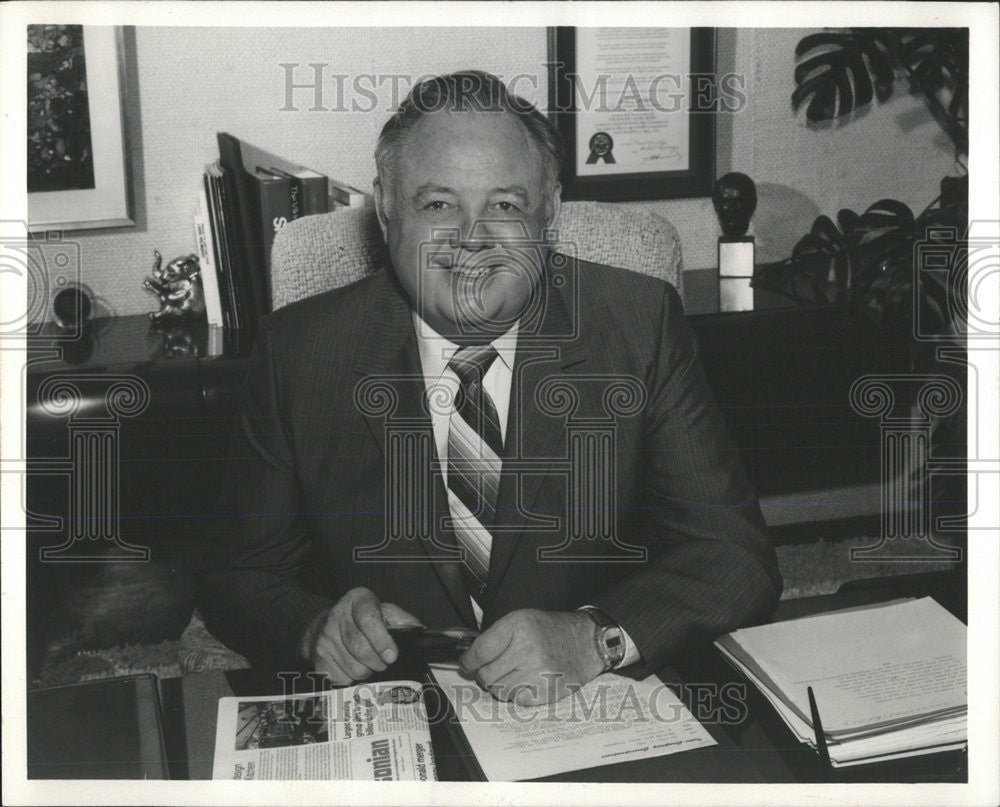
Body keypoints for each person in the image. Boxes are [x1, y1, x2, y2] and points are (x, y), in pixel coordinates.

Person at [198, 71, 781, 706]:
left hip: (590, 706)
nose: (472, 238)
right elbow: (241, 574)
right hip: (393, 710)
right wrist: (315, 629)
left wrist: (596, 638)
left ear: (549, 213)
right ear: (387, 209)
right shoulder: (300, 351)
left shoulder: (639, 324)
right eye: (438, 204)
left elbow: (734, 557)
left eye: (505, 205)